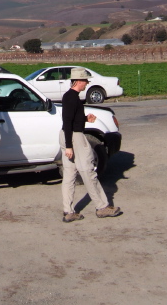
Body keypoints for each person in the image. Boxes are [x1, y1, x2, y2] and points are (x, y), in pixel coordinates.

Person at [59, 67, 122, 222]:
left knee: (69, 173)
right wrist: (69, 146)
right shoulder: (71, 97)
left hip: (69, 135)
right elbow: (67, 122)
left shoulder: (71, 97)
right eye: (85, 80)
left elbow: (73, 119)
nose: (87, 83)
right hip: (74, 137)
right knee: (88, 171)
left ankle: (68, 211)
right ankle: (102, 207)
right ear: (78, 81)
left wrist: (86, 119)